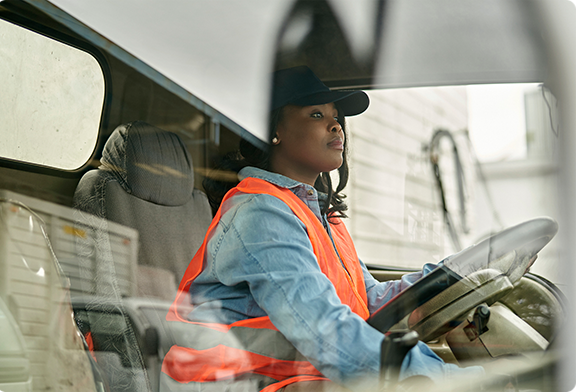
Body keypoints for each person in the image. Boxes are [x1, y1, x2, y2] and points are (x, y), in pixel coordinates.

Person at [160, 66, 484, 392]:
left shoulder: (324, 219)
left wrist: (454, 274)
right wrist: (447, 380)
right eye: (316, 114)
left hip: (290, 376)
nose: (336, 125)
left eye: (336, 116)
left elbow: (369, 302)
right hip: (229, 383)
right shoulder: (260, 213)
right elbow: (325, 330)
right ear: (274, 131)